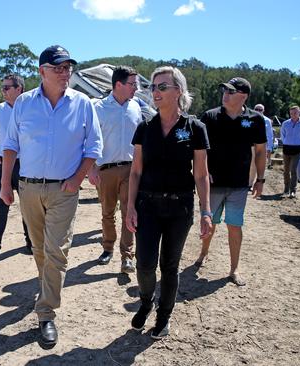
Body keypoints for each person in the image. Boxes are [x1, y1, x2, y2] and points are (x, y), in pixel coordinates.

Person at [0, 45, 102, 348]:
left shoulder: (83, 104)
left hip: (64, 190)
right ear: (42, 71)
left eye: (68, 67)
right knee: (40, 249)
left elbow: (93, 146)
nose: (65, 72)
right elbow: (9, 145)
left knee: (57, 250)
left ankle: (46, 313)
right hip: (29, 188)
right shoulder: (24, 104)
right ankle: (47, 286)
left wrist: (77, 178)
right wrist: (6, 184)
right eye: (58, 67)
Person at [126, 66, 211, 340]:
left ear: (179, 91)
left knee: (169, 265)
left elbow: (200, 173)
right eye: (153, 87)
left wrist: (206, 212)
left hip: (180, 207)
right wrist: (129, 207)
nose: (156, 92)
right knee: (145, 263)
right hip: (147, 205)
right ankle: (146, 301)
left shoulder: (195, 128)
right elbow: (136, 171)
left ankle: (164, 316)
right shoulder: (144, 128)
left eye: (163, 87)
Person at [194, 77, 267, 287]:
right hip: (213, 184)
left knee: (235, 226)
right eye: (224, 90)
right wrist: (203, 173)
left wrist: (260, 179)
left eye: (231, 91)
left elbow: (261, 151)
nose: (225, 94)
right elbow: (199, 150)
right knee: (210, 223)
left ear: (243, 96)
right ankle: (203, 254)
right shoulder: (210, 116)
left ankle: (234, 269)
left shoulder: (254, 119)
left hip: (239, 185)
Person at [88, 66, 142, 273]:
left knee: (130, 212)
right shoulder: (99, 108)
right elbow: (90, 141)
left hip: (131, 169)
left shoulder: (136, 106)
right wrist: (92, 169)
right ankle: (107, 248)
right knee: (107, 212)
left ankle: (127, 256)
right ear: (118, 84)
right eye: (132, 84)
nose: (135, 88)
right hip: (106, 170)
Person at [0, 74, 32, 262]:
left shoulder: (29, 108)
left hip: (25, 164)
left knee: (28, 205)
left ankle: (31, 243)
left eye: (7, 87)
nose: (3, 91)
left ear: (19, 89)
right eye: (2, 87)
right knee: (0, 205)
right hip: (2, 164)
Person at [280, 105, 300, 198]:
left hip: (297, 149)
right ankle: (286, 188)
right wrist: (286, 142)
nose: (293, 115)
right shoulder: (285, 123)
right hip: (286, 148)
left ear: (299, 112)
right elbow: (282, 135)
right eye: (291, 113)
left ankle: (293, 190)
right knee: (286, 170)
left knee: (294, 170)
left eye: (295, 113)